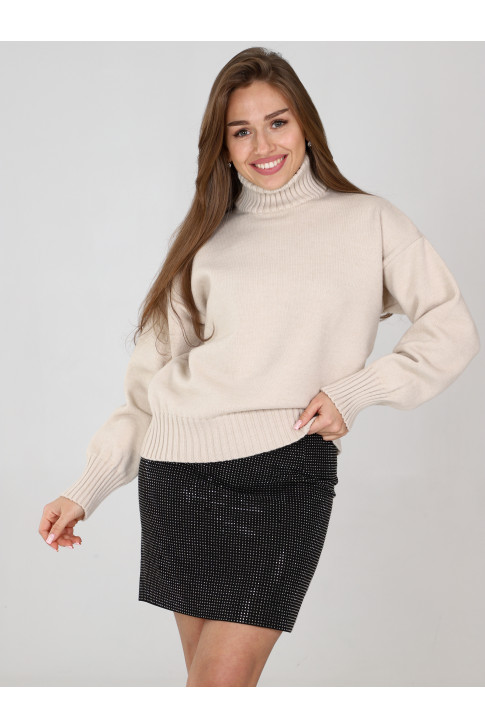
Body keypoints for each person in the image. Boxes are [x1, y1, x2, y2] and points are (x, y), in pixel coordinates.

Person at [38, 46, 480, 687]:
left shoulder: (369, 221)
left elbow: (450, 325)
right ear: (222, 146)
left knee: (219, 684)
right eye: (241, 130)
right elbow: (146, 387)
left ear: (306, 124)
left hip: (287, 473)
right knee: (211, 688)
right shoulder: (205, 236)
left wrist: (357, 391)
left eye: (277, 122)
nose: (263, 145)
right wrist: (86, 488)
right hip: (180, 477)